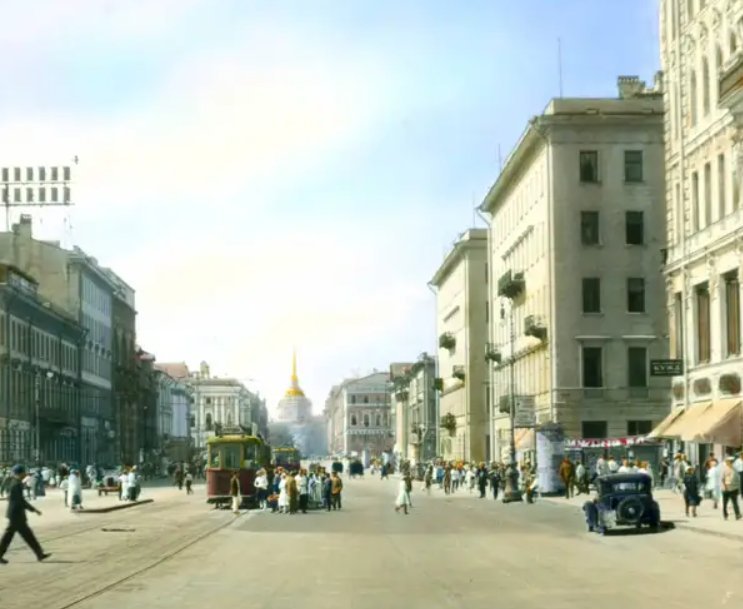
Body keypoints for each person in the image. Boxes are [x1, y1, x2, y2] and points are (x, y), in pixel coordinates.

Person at [0, 465, 51, 564]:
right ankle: (39, 554)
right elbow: (21, 501)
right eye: (24, 472)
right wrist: (34, 510)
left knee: (19, 536)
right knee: (19, 536)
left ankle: (39, 554)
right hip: (16, 515)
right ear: (20, 473)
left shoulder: (15, 482)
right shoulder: (16, 484)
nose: (25, 474)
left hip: (15, 515)